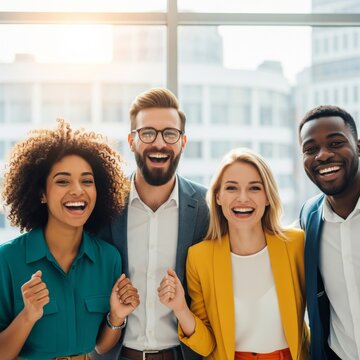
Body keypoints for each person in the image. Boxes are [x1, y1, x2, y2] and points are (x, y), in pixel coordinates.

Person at [0, 120, 140, 360]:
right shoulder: (8, 260)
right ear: (42, 193)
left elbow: (101, 346)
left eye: (87, 181)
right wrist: (28, 315)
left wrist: (116, 316)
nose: (78, 190)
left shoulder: (108, 258)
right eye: (62, 181)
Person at [158, 148, 310, 360]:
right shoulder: (199, 258)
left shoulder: (295, 244)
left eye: (254, 188)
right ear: (218, 196)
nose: (243, 198)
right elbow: (207, 345)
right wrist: (181, 308)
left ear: (267, 196)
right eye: (231, 188)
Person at [92, 88, 209, 360]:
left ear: (183, 142)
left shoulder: (207, 207)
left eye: (170, 134)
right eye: (148, 133)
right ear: (132, 141)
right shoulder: (102, 204)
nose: (159, 143)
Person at [299, 105, 360, 360]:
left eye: (335, 143)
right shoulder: (308, 218)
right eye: (310, 149)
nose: (322, 156)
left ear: (358, 146)